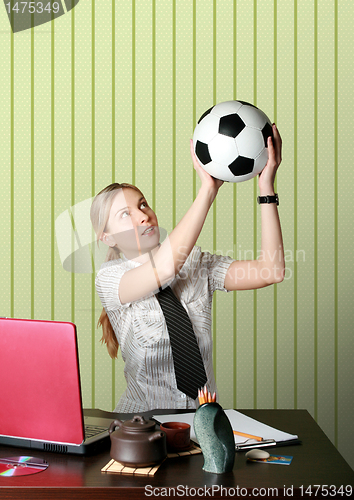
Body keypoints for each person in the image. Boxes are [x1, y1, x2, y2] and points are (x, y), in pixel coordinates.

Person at [90, 125, 284, 413]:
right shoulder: (110, 278)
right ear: (107, 237)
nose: (143, 216)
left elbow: (271, 271)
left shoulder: (196, 262)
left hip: (200, 422)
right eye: (125, 214)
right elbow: (164, 269)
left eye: (143, 204)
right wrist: (208, 190)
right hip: (140, 426)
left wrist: (266, 188)